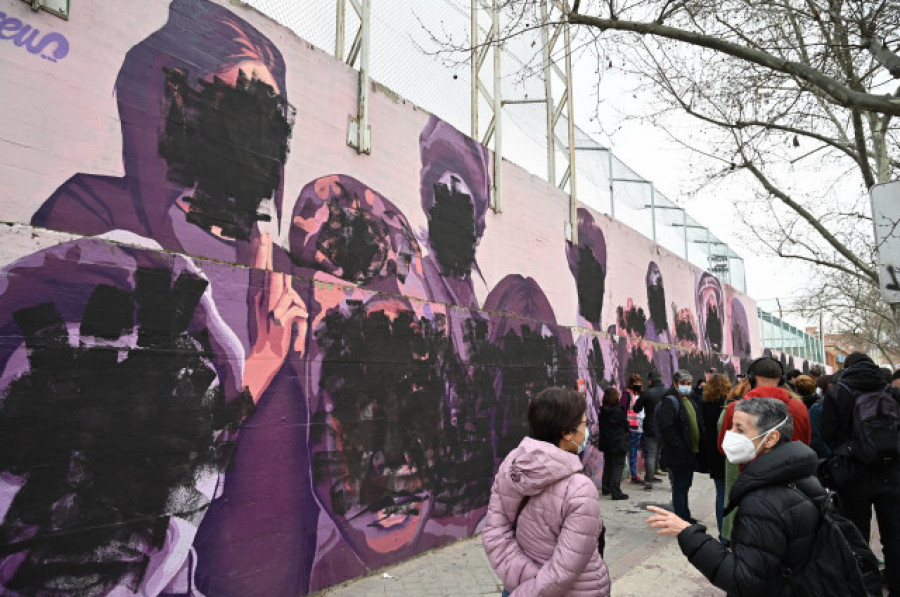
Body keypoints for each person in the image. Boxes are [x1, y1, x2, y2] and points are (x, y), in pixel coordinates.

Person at [645, 398, 847, 597]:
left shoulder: (762, 500)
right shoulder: (798, 475)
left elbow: (745, 580)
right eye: (732, 426)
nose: (730, 434)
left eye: (740, 430)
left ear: (771, 438)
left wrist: (688, 533)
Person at [483, 386, 611, 596]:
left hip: (518, 585)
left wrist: (524, 581)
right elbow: (562, 573)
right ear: (567, 433)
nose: (587, 429)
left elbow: (495, 534)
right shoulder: (580, 488)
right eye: (584, 423)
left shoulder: (512, 466)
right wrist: (535, 584)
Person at [821, 352, 900, 597]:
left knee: (857, 537)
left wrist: (850, 449)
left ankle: (865, 588)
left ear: (847, 367)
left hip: (853, 474)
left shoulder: (838, 393)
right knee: (895, 536)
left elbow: (828, 432)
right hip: (891, 471)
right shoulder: (892, 392)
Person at [657, 370, 704, 523]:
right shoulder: (670, 401)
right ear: (676, 384)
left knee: (685, 485)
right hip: (679, 454)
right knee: (680, 486)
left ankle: (685, 514)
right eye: (683, 383)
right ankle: (681, 517)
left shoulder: (689, 400)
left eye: (689, 384)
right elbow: (666, 427)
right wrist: (679, 445)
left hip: (690, 452)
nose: (686, 386)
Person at [700, 373, 731, 543]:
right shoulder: (729, 406)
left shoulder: (705, 405)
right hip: (729, 453)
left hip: (713, 453)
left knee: (720, 493)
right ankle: (730, 531)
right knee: (731, 493)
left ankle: (723, 534)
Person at [634, 369, 666, 490]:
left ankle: (649, 481)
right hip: (664, 427)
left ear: (651, 381)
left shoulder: (647, 393)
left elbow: (637, 408)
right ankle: (672, 481)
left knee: (651, 455)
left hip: (651, 427)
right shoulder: (668, 392)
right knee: (663, 453)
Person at [598, 387, 631, 500]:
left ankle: (605, 487)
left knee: (608, 465)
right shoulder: (618, 411)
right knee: (618, 466)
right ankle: (615, 491)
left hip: (606, 443)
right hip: (618, 442)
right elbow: (625, 426)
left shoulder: (602, 411)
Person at [621, 374, 645, 483]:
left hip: (642, 425)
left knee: (643, 450)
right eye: (635, 382)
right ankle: (634, 475)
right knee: (633, 451)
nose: (638, 384)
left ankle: (645, 473)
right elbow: (623, 409)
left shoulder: (642, 394)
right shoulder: (627, 394)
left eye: (639, 382)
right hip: (632, 426)